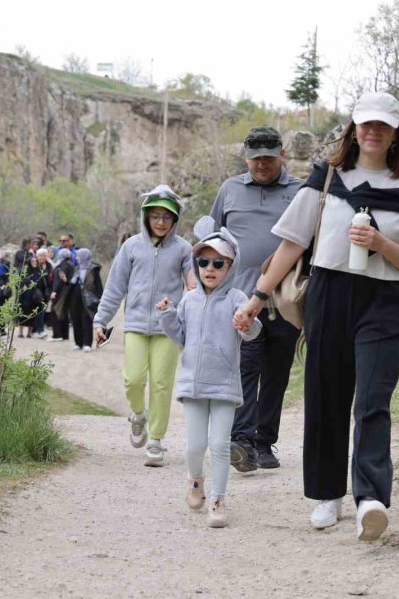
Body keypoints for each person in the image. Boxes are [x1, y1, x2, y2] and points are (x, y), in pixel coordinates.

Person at [235, 91, 399, 542]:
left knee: (372, 401)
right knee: (326, 395)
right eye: (366, 124)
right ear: (354, 127)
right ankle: (328, 493)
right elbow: (291, 243)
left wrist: (381, 245)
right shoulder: (327, 178)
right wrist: (257, 297)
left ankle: (371, 499)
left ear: (395, 131)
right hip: (328, 293)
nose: (372, 132)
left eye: (382, 125)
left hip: (384, 300)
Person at [210, 125, 304, 472]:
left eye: (268, 158)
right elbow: (213, 237)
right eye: (255, 159)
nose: (261, 165)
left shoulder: (299, 191)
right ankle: (243, 440)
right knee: (245, 367)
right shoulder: (229, 189)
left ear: (281, 155)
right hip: (240, 298)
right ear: (246, 158)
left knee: (276, 373)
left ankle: (265, 442)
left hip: (285, 301)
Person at [157, 221, 261, 528]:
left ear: (231, 266)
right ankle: (195, 480)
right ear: (195, 265)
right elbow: (180, 336)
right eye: (203, 262)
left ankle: (218, 499)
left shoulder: (237, 299)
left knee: (219, 445)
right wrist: (166, 315)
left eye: (218, 263)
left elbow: (253, 332)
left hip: (225, 385)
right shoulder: (189, 299)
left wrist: (248, 324)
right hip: (193, 384)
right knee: (194, 447)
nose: (210, 268)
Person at [93, 184, 194, 467]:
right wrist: (101, 320)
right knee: (134, 379)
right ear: (146, 216)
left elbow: (193, 287)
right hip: (136, 324)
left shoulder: (184, 249)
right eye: (155, 216)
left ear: (175, 219)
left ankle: (156, 440)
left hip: (168, 327)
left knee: (162, 384)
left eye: (167, 217)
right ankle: (138, 413)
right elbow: (115, 287)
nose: (160, 222)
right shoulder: (131, 247)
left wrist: (182, 305)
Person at [67, 248, 103, 351]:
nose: (76, 257)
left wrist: (100, 298)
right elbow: (70, 285)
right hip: (75, 298)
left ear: (83, 257)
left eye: (78, 256)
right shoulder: (76, 269)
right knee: (76, 319)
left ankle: (87, 344)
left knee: (86, 320)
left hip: (88, 299)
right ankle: (78, 343)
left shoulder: (93, 270)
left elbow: (99, 286)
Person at [49, 247, 75, 343]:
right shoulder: (71, 264)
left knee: (55, 311)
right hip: (68, 291)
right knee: (63, 312)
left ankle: (57, 335)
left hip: (61, 292)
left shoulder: (62, 265)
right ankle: (65, 335)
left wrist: (54, 291)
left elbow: (59, 279)